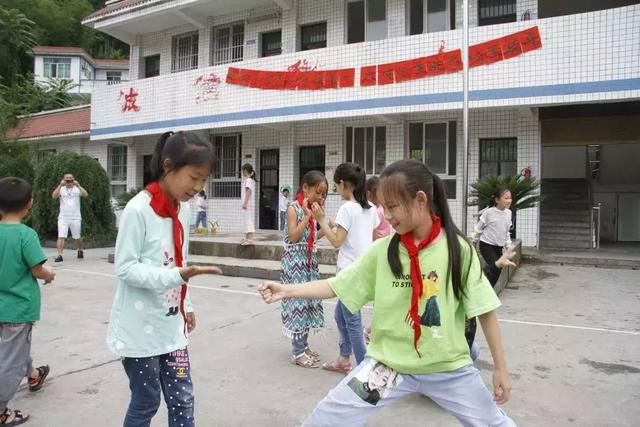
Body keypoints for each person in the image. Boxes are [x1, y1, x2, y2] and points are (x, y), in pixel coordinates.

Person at [259, 160, 517, 426]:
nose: (386, 215)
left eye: (392, 206)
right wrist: (287, 289)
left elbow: (485, 309)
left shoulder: (458, 249)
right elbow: (337, 285)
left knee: (495, 423)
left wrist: (500, 368)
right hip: (387, 368)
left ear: (420, 200)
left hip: (449, 369)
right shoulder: (382, 251)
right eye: (383, 206)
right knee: (326, 419)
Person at [107, 131, 223, 427]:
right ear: (168, 166)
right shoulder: (138, 210)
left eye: (204, 180)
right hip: (140, 333)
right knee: (146, 402)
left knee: (183, 399)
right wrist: (174, 276)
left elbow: (179, 262)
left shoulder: (183, 209)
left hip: (173, 331)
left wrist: (188, 304)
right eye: (193, 177)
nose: (197, 188)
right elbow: (126, 268)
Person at [313, 163, 379, 374]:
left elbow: (336, 241)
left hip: (349, 272)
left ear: (342, 184)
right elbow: (373, 236)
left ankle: (364, 371)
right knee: (340, 315)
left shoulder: (347, 208)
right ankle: (343, 358)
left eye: (336, 186)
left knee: (352, 321)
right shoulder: (370, 207)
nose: (336, 190)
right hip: (363, 269)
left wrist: (321, 220)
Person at [0, 177, 55, 427]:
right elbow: (36, 269)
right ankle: (2, 410)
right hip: (18, 310)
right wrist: (49, 274)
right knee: (11, 359)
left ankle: (33, 375)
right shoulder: (26, 234)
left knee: (13, 350)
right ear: (29, 203)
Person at [280, 170, 328, 368]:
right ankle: (297, 352)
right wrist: (308, 217)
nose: (320, 197)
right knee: (298, 304)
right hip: (295, 264)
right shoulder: (293, 208)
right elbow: (293, 237)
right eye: (318, 192)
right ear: (305, 188)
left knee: (308, 303)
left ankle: (304, 345)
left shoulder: (312, 210)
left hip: (308, 262)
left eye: (323, 194)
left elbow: (312, 237)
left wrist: (327, 224)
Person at [473, 187, 514, 287]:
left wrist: (508, 245)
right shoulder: (489, 212)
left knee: (498, 269)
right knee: (495, 266)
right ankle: (483, 282)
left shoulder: (509, 213)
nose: (509, 200)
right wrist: (474, 241)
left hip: (499, 247)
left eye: (510, 198)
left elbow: (506, 231)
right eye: (506, 198)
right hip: (486, 245)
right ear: (497, 200)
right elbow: (479, 228)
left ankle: (487, 290)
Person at [51, 173, 88, 262]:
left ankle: (80, 249)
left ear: (73, 179)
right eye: (67, 178)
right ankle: (60, 255)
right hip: (63, 217)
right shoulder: (61, 189)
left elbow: (85, 194)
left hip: (75, 217)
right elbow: (54, 196)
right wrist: (60, 185)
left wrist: (78, 185)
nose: (69, 180)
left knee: (77, 236)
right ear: (64, 179)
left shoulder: (77, 189)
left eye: (70, 178)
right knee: (61, 236)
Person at [240, 164, 256, 246]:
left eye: (242, 171)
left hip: (248, 205)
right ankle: (247, 238)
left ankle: (250, 239)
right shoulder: (249, 180)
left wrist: (245, 203)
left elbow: (248, 192)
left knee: (248, 220)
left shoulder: (249, 180)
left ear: (245, 171)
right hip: (248, 205)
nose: (242, 172)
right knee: (246, 220)